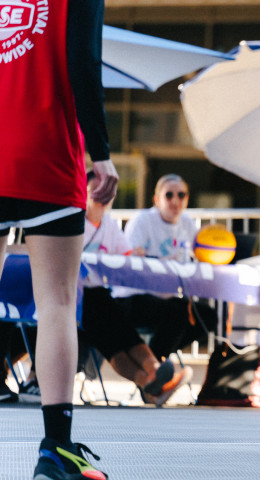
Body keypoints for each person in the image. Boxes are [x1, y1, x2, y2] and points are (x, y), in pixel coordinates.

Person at [0, 0, 119, 478]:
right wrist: (101, 151)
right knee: (55, 302)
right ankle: (55, 447)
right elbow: (83, 62)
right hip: (45, 150)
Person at [80, 170, 193, 406]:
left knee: (118, 329)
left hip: (101, 295)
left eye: (107, 190)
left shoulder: (109, 224)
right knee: (112, 327)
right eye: (95, 190)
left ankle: (152, 377)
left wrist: (138, 256)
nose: (102, 195)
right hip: (76, 295)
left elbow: (128, 258)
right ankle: (153, 379)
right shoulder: (74, 223)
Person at [114, 174, 218, 361]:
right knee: (176, 315)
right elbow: (131, 264)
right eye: (169, 195)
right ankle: (152, 369)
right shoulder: (142, 221)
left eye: (181, 195)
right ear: (156, 199)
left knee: (208, 317)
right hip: (133, 296)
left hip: (168, 297)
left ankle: (152, 360)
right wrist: (161, 261)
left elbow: (197, 258)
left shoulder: (187, 223)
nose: (175, 200)